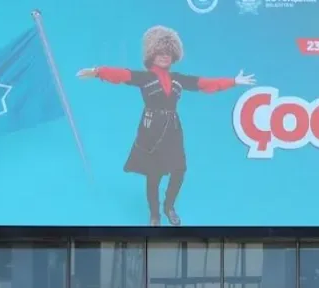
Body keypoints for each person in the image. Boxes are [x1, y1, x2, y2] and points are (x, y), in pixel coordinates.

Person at [76, 25, 256, 227]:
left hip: (173, 130)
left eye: (168, 53)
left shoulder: (179, 79)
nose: (164, 57)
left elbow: (205, 83)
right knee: (153, 176)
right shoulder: (144, 77)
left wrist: (234, 81)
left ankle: (169, 207)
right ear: (152, 55)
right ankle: (155, 214)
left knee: (179, 171)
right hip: (151, 130)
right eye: (160, 53)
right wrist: (97, 72)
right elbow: (122, 74)